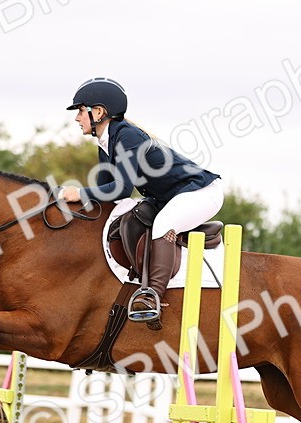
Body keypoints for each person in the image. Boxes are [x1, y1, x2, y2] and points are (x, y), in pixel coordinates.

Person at [57, 77, 223, 324]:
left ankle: (152, 295)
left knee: (163, 223)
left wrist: (79, 194)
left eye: (81, 110)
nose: (77, 118)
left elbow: (121, 189)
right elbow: (107, 195)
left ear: (99, 112)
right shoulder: (106, 143)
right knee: (128, 215)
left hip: (200, 192)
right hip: (169, 196)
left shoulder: (127, 136)